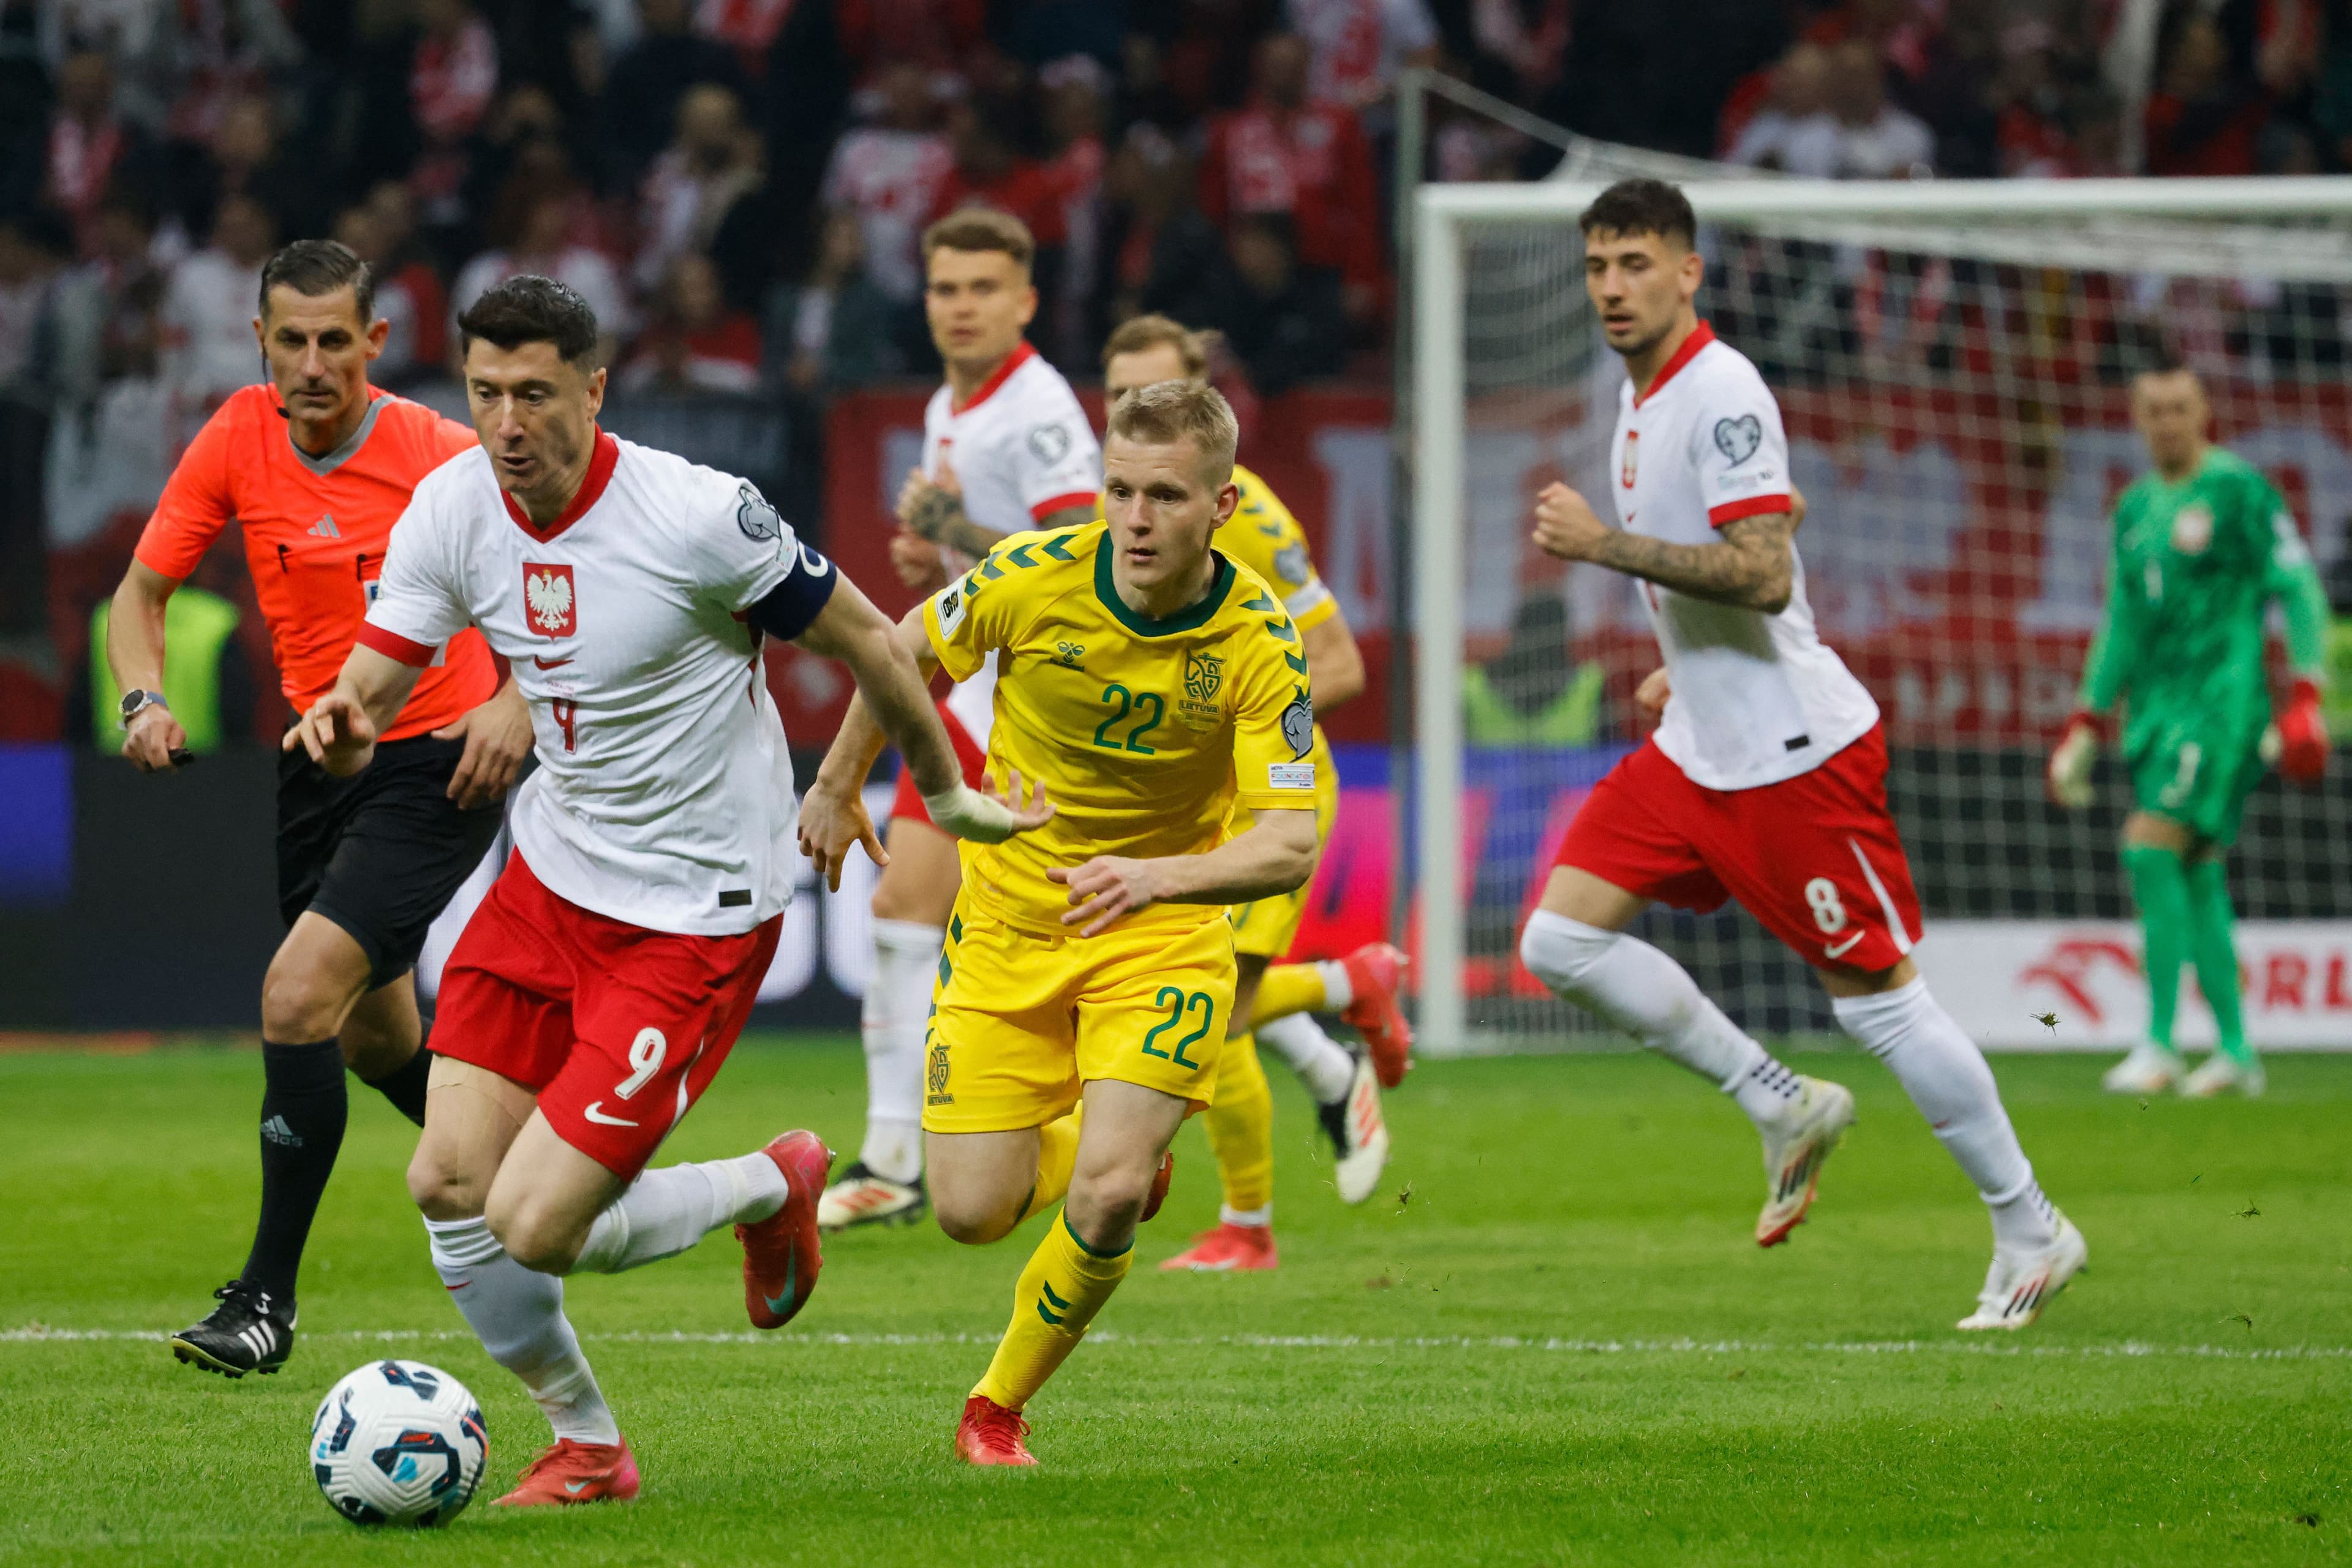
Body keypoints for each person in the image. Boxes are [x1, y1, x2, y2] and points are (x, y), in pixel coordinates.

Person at [293, 274, 1044, 1505]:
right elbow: (375, 683)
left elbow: (871, 637)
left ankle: (768, 1181)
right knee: (447, 1182)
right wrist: (342, 721)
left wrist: (920, 788)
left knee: (539, 1225)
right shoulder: (453, 507)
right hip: (548, 881)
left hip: (693, 918)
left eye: (536, 394)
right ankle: (589, 1445)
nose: (507, 424)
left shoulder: (698, 516)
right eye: (485, 393)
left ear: (594, 389)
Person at [1517, 179, 2084, 1332]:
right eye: (1597, 267)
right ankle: (1778, 1100)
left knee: (1880, 1008)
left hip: (1791, 757)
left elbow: (1766, 570)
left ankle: (2031, 1223)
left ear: (1690, 272)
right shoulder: (1641, 395)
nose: (1612, 288)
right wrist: (1685, 659)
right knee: (1561, 942)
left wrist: (1603, 548)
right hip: (1699, 743)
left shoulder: (1723, 388)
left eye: (1635, 264)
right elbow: (1768, 526)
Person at [799, 379, 1321, 1465]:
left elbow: (1288, 842)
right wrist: (841, 780)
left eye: (1166, 496)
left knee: (1113, 1194)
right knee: (970, 1212)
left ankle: (995, 1408)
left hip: (1160, 932)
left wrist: (1157, 879)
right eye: (1120, 491)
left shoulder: (1260, 641)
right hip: (1009, 926)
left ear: (1222, 506)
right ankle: (1108, 1150)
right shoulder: (1033, 577)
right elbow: (902, 647)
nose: (1136, 519)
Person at [111, 239, 535, 1378]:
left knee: (296, 995)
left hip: (439, 758)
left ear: (374, 343)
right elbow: (140, 595)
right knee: (376, 1038)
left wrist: (514, 701)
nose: (310, 364)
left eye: (334, 341)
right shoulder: (235, 435)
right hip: (319, 758)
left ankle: (264, 1302)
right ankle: (569, 1168)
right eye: (290, 341)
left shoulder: (438, 452)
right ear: (259, 341)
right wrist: (143, 697)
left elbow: (572, 568)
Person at [1098, 314, 1407, 1273]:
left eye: (1158, 393)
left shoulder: (1254, 519)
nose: (1137, 410)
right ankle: (1346, 1001)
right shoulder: (1114, 510)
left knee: (1211, 1006)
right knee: (1192, 997)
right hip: (1189, 800)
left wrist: (1237, 725)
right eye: (1119, 396)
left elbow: (1341, 665)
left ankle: (1250, 1223)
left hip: (1269, 793)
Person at [817, 210, 1100, 1233]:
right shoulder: (952, 404)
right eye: (946, 288)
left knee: (1075, 934)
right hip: (974, 692)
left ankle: (1314, 1032)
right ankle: (896, 1157)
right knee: (907, 913)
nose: (962, 307)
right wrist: (938, 556)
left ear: (1025, 301)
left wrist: (955, 532)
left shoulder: (1038, 410)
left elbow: (1083, 551)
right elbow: (991, 556)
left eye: (984, 289)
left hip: (1033, 702)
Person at [2050, 365, 2330, 1100]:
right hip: (2156, 713)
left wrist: (2307, 693)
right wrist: (2086, 720)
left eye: (2180, 407)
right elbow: (2121, 621)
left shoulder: (2238, 489)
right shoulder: (2135, 508)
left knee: (2149, 846)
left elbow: (2299, 586)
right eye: (2154, 410)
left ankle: (2161, 1043)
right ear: (2137, 418)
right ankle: (2236, 1050)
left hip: (2221, 706)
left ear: (2205, 411)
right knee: (2199, 869)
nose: (2167, 421)